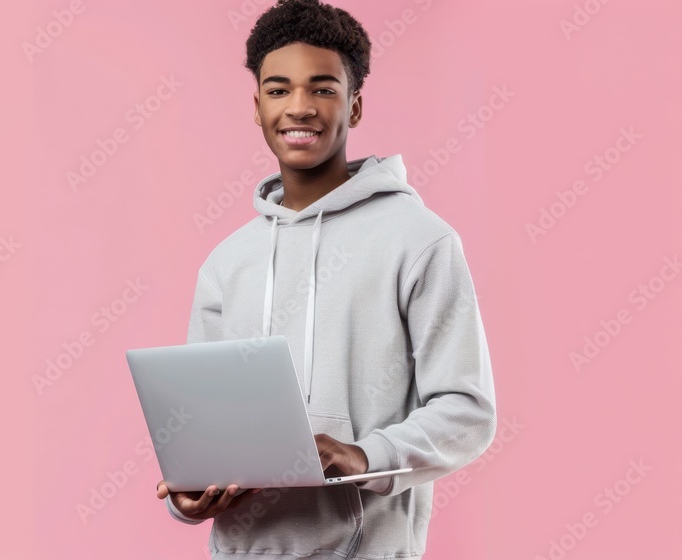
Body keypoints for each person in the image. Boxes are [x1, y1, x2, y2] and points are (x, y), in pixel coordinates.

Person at [153, 0, 497, 558]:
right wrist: (189, 495)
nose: (301, 107)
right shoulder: (227, 262)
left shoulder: (421, 241)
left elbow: (468, 410)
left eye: (323, 88)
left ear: (355, 106)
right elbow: (202, 430)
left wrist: (363, 456)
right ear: (258, 106)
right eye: (279, 89)